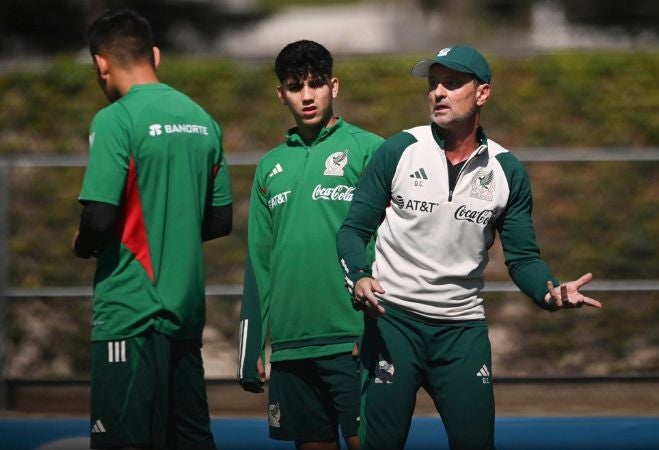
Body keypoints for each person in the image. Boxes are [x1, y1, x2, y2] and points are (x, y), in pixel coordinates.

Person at [336, 45, 603, 450]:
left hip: (461, 332)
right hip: (394, 323)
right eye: (433, 84)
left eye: (453, 83)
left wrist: (549, 292)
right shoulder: (399, 150)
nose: (438, 92)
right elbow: (352, 231)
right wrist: (359, 276)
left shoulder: (506, 170)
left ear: (483, 94)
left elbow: (523, 258)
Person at [71, 9, 233, 450]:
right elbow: (220, 219)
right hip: (184, 313)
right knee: (188, 439)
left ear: (101, 64)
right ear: (156, 56)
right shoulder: (202, 119)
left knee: (122, 439)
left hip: (129, 312)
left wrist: (82, 245)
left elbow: (100, 217)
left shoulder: (115, 120)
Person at [237, 40, 383, 450]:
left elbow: (391, 243)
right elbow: (259, 261)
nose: (306, 95)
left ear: (333, 86)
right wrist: (251, 348)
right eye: (295, 86)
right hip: (289, 347)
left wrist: (374, 327)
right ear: (280, 93)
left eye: (316, 84)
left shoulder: (368, 149)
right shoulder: (269, 166)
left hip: (351, 338)